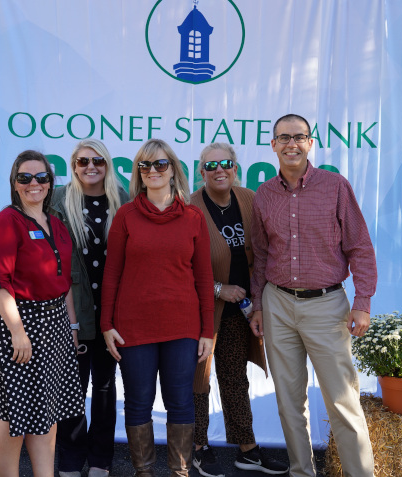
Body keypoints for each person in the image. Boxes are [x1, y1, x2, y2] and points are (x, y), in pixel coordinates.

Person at [249, 114, 376, 477]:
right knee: (289, 402)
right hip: (277, 305)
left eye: (299, 137)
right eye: (284, 137)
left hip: (326, 305)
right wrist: (258, 305)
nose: (292, 144)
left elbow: (360, 248)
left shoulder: (335, 186)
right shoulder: (264, 194)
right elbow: (261, 255)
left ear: (310, 143)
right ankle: (301, 472)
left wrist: (362, 302)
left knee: (342, 400)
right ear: (273, 145)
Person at [100, 139, 215, 477]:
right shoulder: (126, 215)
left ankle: (180, 472)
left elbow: (205, 279)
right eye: (145, 166)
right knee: (138, 401)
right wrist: (107, 324)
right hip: (133, 326)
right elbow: (112, 274)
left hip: (182, 326)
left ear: (173, 170)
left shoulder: (193, 217)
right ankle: (144, 473)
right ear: (139, 172)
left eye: (160, 165)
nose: (153, 171)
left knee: (180, 401)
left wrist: (207, 330)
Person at [189, 143, 289, 477]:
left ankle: (247, 449)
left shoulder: (248, 198)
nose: (219, 170)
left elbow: (261, 253)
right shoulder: (189, 207)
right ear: (201, 171)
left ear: (235, 168)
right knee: (197, 380)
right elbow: (181, 267)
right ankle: (199, 447)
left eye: (226, 164)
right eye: (211, 165)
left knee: (234, 379)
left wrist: (257, 302)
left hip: (238, 312)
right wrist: (219, 289)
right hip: (200, 311)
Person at [0, 150, 86, 477]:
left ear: (49, 183)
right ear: (14, 183)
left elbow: (65, 281)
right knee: (15, 417)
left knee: (48, 412)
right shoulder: (6, 222)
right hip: (21, 324)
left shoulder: (56, 223)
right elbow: (1, 285)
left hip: (56, 325)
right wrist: (17, 331)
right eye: (25, 177)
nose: (34, 184)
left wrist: (70, 325)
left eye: (41, 177)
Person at [51, 140, 129, 477]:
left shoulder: (122, 200)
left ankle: (101, 460)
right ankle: (69, 460)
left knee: (105, 390)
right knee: (71, 390)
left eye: (98, 160)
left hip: (112, 314)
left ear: (107, 164)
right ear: (74, 164)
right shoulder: (57, 200)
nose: (90, 166)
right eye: (83, 161)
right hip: (73, 313)